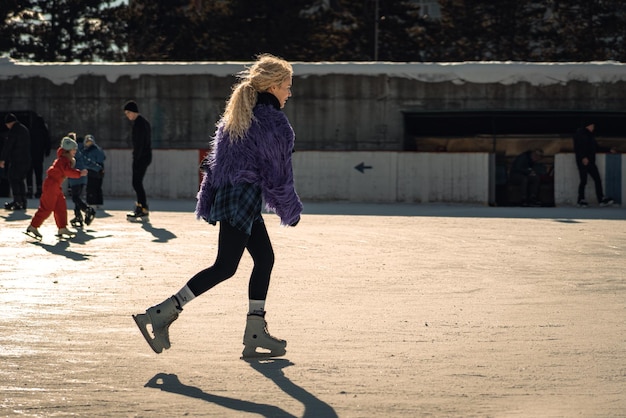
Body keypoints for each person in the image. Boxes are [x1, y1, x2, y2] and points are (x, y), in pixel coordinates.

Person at [132, 54, 303, 357]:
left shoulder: (239, 115)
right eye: (288, 87)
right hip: (244, 197)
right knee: (225, 266)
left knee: (264, 258)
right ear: (274, 86)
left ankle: (254, 331)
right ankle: (161, 313)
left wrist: (211, 198)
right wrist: (290, 209)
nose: (290, 93)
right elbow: (278, 172)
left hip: (233, 195)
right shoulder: (273, 122)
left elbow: (216, 164)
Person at [25, 137, 88, 240]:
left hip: (55, 186)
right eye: (74, 149)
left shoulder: (65, 159)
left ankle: (62, 227)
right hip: (51, 185)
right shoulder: (63, 160)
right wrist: (79, 173)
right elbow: (67, 171)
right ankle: (33, 226)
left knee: (60, 207)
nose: (75, 151)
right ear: (68, 150)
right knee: (47, 208)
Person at [573, 121, 615, 207]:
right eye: (591, 126)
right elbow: (579, 147)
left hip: (590, 160)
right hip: (584, 161)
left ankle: (600, 198)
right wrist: (583, 157)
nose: (593, 128)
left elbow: (595, 147)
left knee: (596, 179)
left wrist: (608, 150)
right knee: (584, 180)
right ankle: (581, 199)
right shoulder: (581, 134)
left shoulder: (589, 135)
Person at [123, 100, 152, 221]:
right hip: (144, 156)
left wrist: (136, 158)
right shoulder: (142, 122)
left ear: (133, 112)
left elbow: (140, 143)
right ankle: (141, 207)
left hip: (141, 157)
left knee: (136, 182)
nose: (127, 115)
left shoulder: (139, 124)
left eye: (128, 112)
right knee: (137, 182)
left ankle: (143, 208)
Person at [0, 113, 31, 210]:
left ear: (9, 123)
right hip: (26, 159)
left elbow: (8, 146)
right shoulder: (24, 129)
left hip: (17, 160)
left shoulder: (14, 131)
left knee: (13, 178)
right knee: (20, 180)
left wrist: (2, 159)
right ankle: (23, 201)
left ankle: (17, 201)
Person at [66, 133, 96, 228]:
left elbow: (67, 165)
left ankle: (87, 210)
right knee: (77, 198)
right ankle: (78, 216)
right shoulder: (79, 150)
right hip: (82, 177)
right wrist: (98, 168)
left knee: (75, 197)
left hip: (76, 177)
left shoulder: (70, 151)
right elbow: (86, 161)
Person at [26, 113, 51, 198]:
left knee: (29, 173)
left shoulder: (30, 130)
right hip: (39, 155)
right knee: (38, 173)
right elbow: (47, 142)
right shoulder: (43, 131)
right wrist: (47, 151)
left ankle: (29, 189)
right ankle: (39, 189)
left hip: (30, 155)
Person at [82, 134, 106, 207]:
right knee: (98, 187)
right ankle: (99, 202)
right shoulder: (99, 149)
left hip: (93, 170)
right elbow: (103, 157)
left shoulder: (88, 151)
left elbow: (88, 162)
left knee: (91, 187)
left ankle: (91, 202)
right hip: (100, 169)